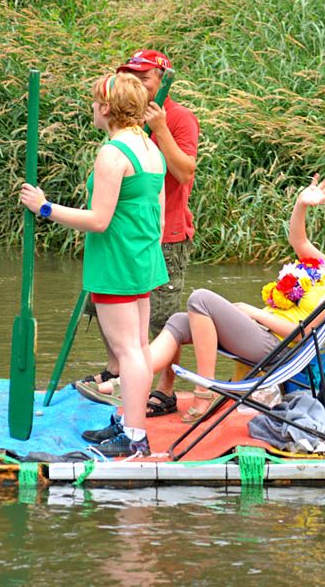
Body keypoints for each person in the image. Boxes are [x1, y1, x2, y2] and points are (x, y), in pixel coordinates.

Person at [86, 175, 325, 424]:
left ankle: (204, 392)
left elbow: (305, 332)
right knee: (178, 321)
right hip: (259, 335)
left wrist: (255, 313)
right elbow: (298, 240)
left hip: (277, 347)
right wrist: (301, 204)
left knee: (201, 299)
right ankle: (139, 385)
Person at [19, 73, 167, 457]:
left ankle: (135, 438)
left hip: (116, 261)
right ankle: (128, 420)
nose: (91, 109)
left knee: (128, 353)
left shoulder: (112, 153)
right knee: (138, 347)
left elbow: (99, 219)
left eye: (93, 103)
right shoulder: (152, 150)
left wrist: (44, 208)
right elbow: (160, 218)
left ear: (106, 108)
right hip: (143, 257)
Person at [78, 49, 199, 413]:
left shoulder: (178, 118)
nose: (137, 82)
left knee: (163, 322)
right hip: (122, 239)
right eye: (130, 76)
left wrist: (159, 128)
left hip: (163, 235)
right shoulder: (123, 129)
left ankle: (163, 390)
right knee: (102, 309)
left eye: (144, 77)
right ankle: (119, 374)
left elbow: (185, 172)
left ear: (161, 81)